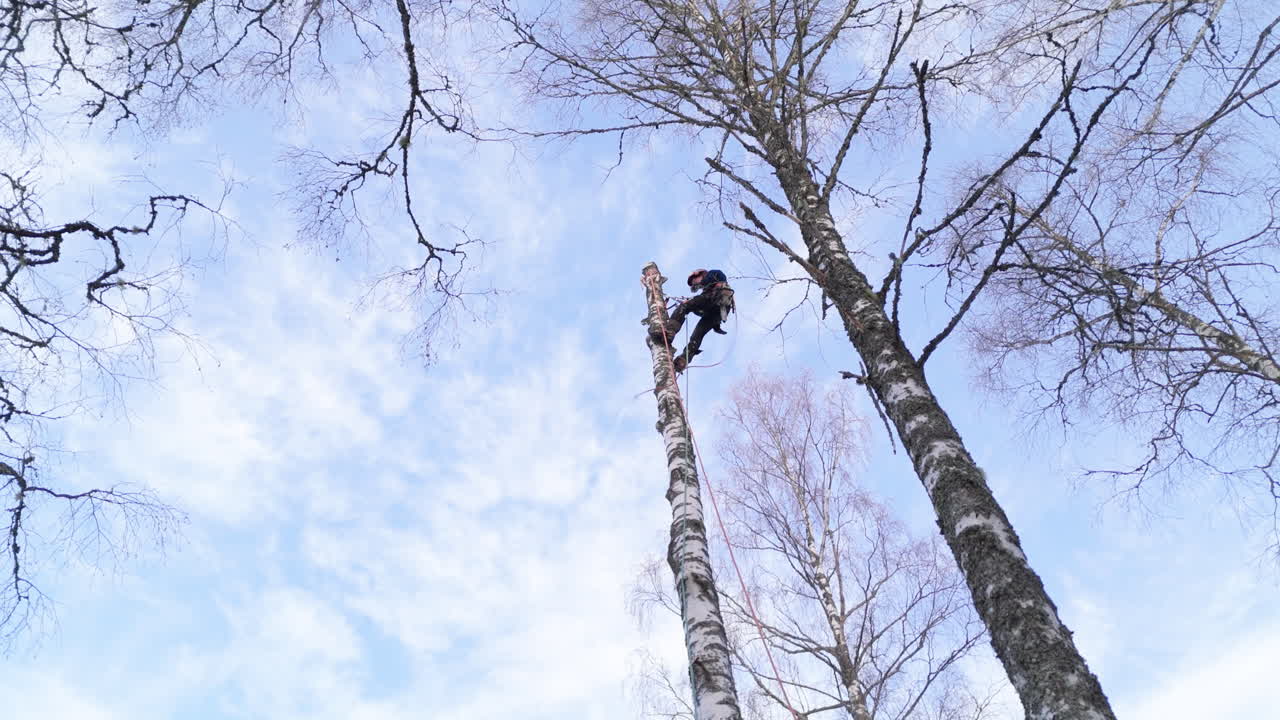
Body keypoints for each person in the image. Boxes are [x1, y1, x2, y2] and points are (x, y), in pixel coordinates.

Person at [656, 268, 735, 373]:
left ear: (700, 274)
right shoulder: (707, 289)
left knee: (684, 307)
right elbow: (700, 305)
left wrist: (689, 303)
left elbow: (704, 296)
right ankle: (684, 360)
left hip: (716, 301)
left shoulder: (713, 274)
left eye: (694, 281)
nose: (695, 284)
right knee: (697, 334)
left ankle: (669, 332)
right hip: (716, 312)